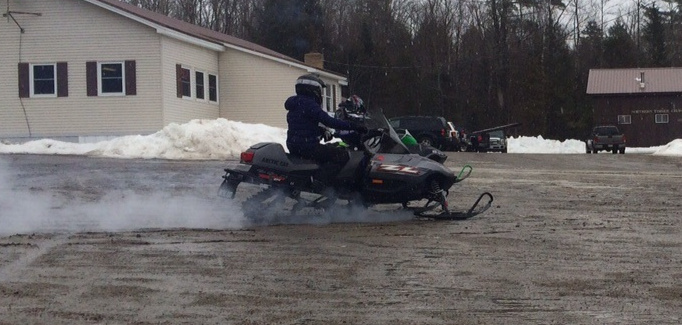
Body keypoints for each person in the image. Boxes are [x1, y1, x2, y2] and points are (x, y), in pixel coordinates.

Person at [285, 74, 366, 187]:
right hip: (307, 146)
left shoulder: (295, 104)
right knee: (342, 156)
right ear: (312, 89)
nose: (320, 93)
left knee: (328, 152)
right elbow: (330, 121)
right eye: (319, 90)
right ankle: (320, 182)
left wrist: (320, 131)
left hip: (294, 144)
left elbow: (302, 124)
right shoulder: (310, 105)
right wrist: (354, 126)